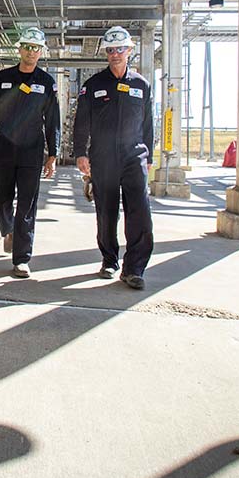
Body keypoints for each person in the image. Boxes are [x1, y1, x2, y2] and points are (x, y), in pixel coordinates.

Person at [73, 26, 154, 290]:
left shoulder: (142, 85)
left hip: (134, 156)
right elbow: (81, 122)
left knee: (139, 210)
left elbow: (148, 124)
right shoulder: (93, 85)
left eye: (120, 49)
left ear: (130, 51)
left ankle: (135, 268)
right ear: (106, 54)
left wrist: (149, 157)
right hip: (103, 157)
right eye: (111, 50)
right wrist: (80, 153)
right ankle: (109, 260)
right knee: (106, 211)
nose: (116, 54)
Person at [0, 27, 60, 279]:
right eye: (27, 46)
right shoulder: (3, 78)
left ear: (41, 51)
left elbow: (53, 120)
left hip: (31, 151)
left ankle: (22, 259)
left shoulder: (46, 82)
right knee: (1, 199)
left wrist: (53, 154)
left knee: (27, 204)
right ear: (19, 48)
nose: (31, 52)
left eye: (36, 48)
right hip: (4, 148)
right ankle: (8, 229)